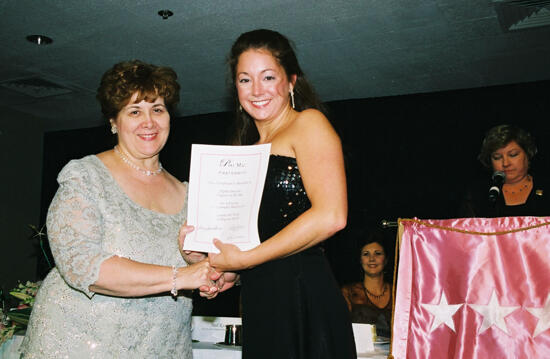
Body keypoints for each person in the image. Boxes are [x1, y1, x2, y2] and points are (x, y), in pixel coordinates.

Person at [20, 60, 221, 358]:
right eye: (135, 111)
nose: (149, 122)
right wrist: (183, 275)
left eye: (158, 109)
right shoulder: (86, 176)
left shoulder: (192, 194)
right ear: (114, 122)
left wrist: (205, 268)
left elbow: (214, 268)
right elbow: (82, 265)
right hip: (81, 344)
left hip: (162, 346)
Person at [188, 28, 357, 358]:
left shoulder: (308, 123)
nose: (256, 90)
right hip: (259, 298)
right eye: (244, 80)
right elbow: (257, 239)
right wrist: (224, 268)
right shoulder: (243, 151)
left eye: (268, 77)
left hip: (302, 294)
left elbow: (332, 216)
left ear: (291, 80)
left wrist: (246, 259)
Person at [459, 124, 550, 217]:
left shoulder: (546, 188)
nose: (505, 163)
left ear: (528, 154)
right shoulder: (478, 194)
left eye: (513, 155)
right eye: (497, 157)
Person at [341, 230, 392, 338]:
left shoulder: (399, 292)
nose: (372, 259)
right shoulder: (348, 292)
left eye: (378, 254)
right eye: (366, 254)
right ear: (360, 260)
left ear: (386, 259)